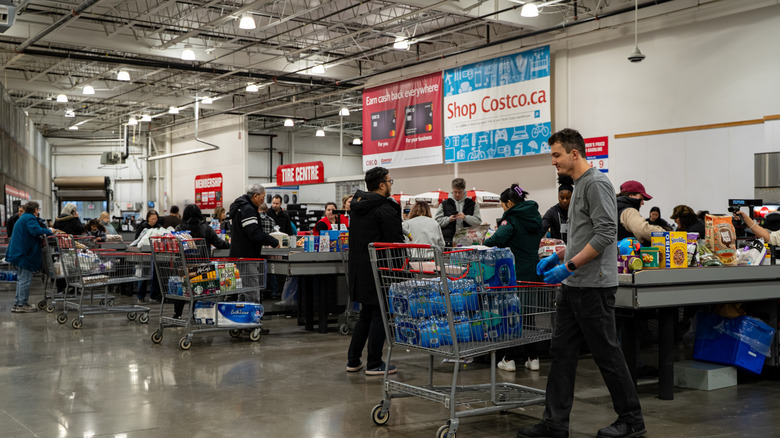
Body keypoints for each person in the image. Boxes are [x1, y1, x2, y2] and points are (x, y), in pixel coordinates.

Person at [523, 128, 645, 438]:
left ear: (574, 153)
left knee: (607, 354)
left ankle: (632, 420)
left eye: (556, 155)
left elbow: (606, 234)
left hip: (594, 287)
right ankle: (554, 423)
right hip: (574, 286)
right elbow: (585, 236)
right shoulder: (577, 186)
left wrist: (570, 266)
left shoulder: (597, 183)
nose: (553, 161)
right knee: (561, 353)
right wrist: (560, 257)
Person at [346, 167, 405, 376]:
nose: (391, 184)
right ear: (382, 185)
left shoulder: (358, 206)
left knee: (366, 314)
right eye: (390, 181)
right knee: (381, 313)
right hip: (379, 268)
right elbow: (395, 242)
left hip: (359, 269)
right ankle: (374, 362)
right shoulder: (385, 209)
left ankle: (353, 360)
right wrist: (402, 267)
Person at [483, 184, 545, 372]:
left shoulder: (511, 221)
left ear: (509, 203)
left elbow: (493, 241)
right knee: (529, 316)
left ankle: (509, 358)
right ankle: (533, 358)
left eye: (502, 206)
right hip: (533, 273)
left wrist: (484, 242)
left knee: (513, 316)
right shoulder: (536, 218)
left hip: (514, 274)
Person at [173, 204, 230, 319]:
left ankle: (177, 314)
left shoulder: (179, 228)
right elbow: (218, 243)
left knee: (181, 288)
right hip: (202, 266)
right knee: (198, 289)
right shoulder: (206, 228)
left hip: (184, 265)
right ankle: (196, 314)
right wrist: (229, 245)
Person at [7, 201, 53, 313]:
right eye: (38, 210)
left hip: (18, 252)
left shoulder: (24, 218)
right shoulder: (30, 218)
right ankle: (22, 304)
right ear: (35, 210)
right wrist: (49, 231)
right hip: (23, 254)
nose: (38, 212)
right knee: (25, 279)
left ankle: (18, 303)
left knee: (21, 279)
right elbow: (35, 230)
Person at [228, 184, 279, 259]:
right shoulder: (248, 210)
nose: (263, 201)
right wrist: (273, 241)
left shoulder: (240, 207)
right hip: (246, 257)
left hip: (238, 255)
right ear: (255, 196)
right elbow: (254, 234)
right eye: (263, 197)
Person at [616, 180, 664, 246]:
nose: (643, 203)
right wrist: (664, 234)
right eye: (641, 199)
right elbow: (642, 230)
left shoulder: (616, 207)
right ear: (631, 196)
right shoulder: (629, 210)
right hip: (629, 254)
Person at [435, 178, 482, 246]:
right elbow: (436, 222)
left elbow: (478, 221)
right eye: (455, 192)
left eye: (460, 192)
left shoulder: (473, 204)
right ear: (452, 190)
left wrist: (466, 218)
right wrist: (448, 219)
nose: (457, 194)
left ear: (464, 190)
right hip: (448, 243)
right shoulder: (444, 204)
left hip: (468, 243)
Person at [135, 210, 163, 303]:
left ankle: (153, 296)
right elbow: (137, 240)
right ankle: (140, 296)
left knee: (155, 275)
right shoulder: (142, 228)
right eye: (152, 219)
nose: (154, 221)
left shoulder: (159, 228)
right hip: (144, 255)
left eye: (155, 219)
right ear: (147, 218)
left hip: (156, 255)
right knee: (143, 275)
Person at [542, 176, 573, 243]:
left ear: (573, 197)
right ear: (558, 196)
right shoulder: (552, 212)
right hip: (558, 248)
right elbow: (542, 228)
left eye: (568, 198)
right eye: (562, 198)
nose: (564, 201)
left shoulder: (578, 210)